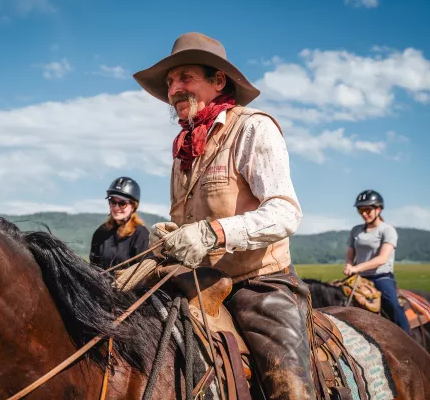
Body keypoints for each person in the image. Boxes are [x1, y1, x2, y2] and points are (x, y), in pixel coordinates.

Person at [133, 32, 315, 399]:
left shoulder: (253, 127)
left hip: (258, 284)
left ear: (218, 81)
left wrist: (211, 232)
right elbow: (193, 228)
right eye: (170, 83)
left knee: (290, 390)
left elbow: (285, 213)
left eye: (185, 78)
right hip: (198, 282)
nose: (174, 90)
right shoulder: (185, 150)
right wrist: (175, 237)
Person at [344, 190, 411, 333]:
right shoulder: (356, 230)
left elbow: (383, 258)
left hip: (381, 277)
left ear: (379, 209)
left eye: (367, 210)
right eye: (360, 210)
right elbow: (350, 254)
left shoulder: (387, 230)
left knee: (392, 304)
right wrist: (349, 265)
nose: (364, 214)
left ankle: (407, 336)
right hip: (359, 279)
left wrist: (357, 268)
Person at [89, 177, 149, 270]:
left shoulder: (141, 234)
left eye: (122, 203)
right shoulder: (100, 233)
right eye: (113, 202)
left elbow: (144, 272)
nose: (116, 208)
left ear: (133, 206)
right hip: (100, 284)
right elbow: (93, 268)